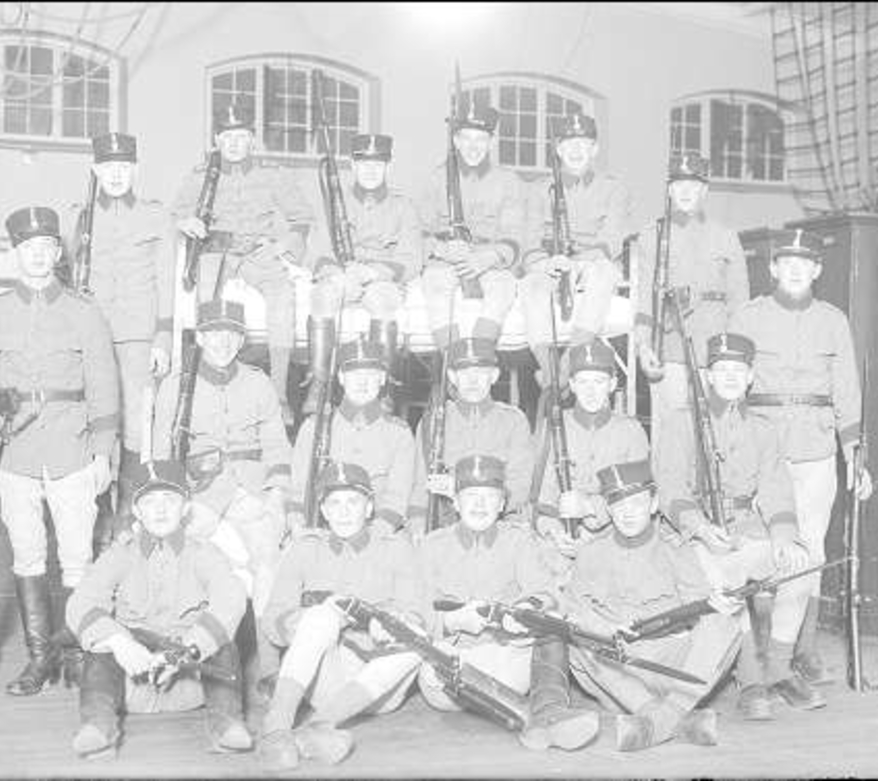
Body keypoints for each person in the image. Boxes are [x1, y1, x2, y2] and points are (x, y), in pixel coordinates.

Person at [0, 206, 119, 696]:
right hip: (14, 453)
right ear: (15, 253)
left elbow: (104, 385)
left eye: (46, 246)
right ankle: (39, 660)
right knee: (28, 556)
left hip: (72, 448)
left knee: (77, 558)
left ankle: (75, 656)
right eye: (27, 247)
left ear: (58, 253)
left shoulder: (84, 311)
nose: (37, 255)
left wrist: (103, 453)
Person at [729, 229, 873, 690]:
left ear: (817, 270)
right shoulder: (748, 316)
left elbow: (846, 390)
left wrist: (854, 455)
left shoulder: (833, 321)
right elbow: (729, 382)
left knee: (810, 549)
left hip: (815, 449)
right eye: (786, 262)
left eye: (804, 263)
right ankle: (757, 651)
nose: (794, 270)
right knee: (762, 549)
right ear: (773, 268)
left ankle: (800, 651)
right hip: (762, 447)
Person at [656, 332, 811, 718]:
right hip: (696, 534)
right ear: (707, 376)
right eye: (721, 369)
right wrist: (701, 527)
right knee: (726, 583)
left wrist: (784, 539)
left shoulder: (762, 429)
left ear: (751, 377)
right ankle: (750, 678)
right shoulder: (681, 422)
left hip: (747, 528)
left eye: (738, 370)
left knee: (800, 568)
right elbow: (671, 487)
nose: (729, 376)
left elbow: (776, 489)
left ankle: (778, 668)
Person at [149, 297, 291, 708]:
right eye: (214, 334)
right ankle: (184, 654)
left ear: (242, 340)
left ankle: (269, 664)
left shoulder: (258, 382)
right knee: (183, 557)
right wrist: (174, 502)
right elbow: (161, 454)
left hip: (250, 486)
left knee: (268, 560)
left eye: (232, 334)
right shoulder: (176, 385)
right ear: (200, 337)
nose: (223, 342)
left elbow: (276, 445)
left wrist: (278, 494)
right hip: (200, 490)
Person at [64, 460, 250, 758]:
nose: (160, 509)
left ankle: (227, 726)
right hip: (130, 684)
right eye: (149, 501)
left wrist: (186, 651)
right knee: (100, 644)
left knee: (223, 642)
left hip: (189, 682)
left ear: (186, 508)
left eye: (170, 500)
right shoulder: (120, 554)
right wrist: (120, 643)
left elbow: (232, 598)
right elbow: (82, 601)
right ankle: (98, 728)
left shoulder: (204, 553)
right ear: (137, 511)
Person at [418, 454, 599, 752]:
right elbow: (414, 613)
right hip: (454, 670)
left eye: (489, 497)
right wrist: (451, 621)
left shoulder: (518, 541)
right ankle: (534, 718)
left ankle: (551, 707)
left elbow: (548, 591)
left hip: (505, 659)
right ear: (455, 502)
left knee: (551, 621)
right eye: (471, 496)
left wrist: (528, 607)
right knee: (434, 665)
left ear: (502, 504)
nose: (479, 505)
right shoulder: (431, 547)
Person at [562, 458, 741, 751]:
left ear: (654, 503)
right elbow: (574, 609)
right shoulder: (591, 553)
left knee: (724, 624)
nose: (627, 513)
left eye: (636, 503)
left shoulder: (675, 548)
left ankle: (658, 721)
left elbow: (698, 603)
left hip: (673, 667)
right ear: (608, 508)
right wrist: (605, 628)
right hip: (620, 669)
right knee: (574, 638)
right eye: (618, 505)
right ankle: (672, 717)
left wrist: (716, 604)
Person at [258, 461, 424, 771]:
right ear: (323, 510)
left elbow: (418, 612)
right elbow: (272, 620)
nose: (344, 512)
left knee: (418, 639)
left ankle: (317, 726)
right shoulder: (305, 549)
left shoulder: (396, 549)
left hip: (378, 686)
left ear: (369, 507)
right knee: (322, 616)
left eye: (353, 502)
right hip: (325, 676)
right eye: (334, 503)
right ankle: (276, 727)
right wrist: (309, 620)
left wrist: (392, 622)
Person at [63, 132, 176, 542]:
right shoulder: (78, 218)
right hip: (92, 336)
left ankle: (128, 507)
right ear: (95, 169)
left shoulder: (156, 217)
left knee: (136, 424)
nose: (115, 174)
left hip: (138, 336)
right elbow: (66, 279)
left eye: (123, 167)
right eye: (108, 167)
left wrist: (163, 337)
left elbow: (166, 279)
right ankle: (99, 510)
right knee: (96, 419)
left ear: (135, 170)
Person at [174, 99, 315, 424]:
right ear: (216, 140)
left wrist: (282, 245)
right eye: (227, 137)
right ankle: (202, 384)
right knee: (205, 301)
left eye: (241, 137)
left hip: (256, 251)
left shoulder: (272, 175)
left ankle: (279, 393)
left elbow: (302, 218)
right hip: (216, 250)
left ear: (252, 140)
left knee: (282, 293)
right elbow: (176, 214)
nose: (234, 144)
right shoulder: (200, 176)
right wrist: (186, 222)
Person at [633, 152, 749, 497]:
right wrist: (643, 344)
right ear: (669, 190)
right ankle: (670, 504)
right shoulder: (652, 236)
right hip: (669, 345)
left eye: (693, 185)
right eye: (678, 184)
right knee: (670, 430)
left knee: (715, 427)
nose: (685, 191)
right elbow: (644, 299)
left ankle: (716, 497)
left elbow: (740, 302)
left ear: (705, 191)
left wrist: (735, 358)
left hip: (716, 348)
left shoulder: (726, 237)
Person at [305, 132, 423, 414]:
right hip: (342, 276)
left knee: (382, 302)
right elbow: (316, 252)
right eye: (364, 163)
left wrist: (371, 273)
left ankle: (383, 389)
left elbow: (411, 259)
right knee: (322, 296)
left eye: (378, 164)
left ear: (388, 167)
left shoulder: (403, 207)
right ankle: (319, 384)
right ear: (353, 165)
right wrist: (338, 275)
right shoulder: (333, 204)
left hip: (381, 280)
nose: (371, 170)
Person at [520, 112, 632, 387]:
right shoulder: (538, 189)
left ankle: (570, 360)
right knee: (531, 285)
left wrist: (577, 262)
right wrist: (546, 263)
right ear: (558, 149)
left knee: (604, 273)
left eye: (583, 144)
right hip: (551, 262)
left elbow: (612, 240)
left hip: (591, 263)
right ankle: (548, 367)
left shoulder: (613, 189)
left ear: (595, 149)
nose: (576, 150)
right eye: (569, 144)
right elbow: (529, 239)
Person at [419, 94, 525, 349]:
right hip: (446, 261)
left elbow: (514, 234)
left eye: (481, 139)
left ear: (492, 142)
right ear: (455, 140)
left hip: (490, 260)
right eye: (466, 138)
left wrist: (489, 257)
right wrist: (442, 249)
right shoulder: (436, 179)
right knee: (435, 287)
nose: (473, 146)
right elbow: (419, 232)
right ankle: (453, 360)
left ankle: (479, 356)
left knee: (502, 289)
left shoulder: (509, 181)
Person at [532, 339, 650, 557]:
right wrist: (555, 532)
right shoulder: (552, 427)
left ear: (612, 384)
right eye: (583, 381)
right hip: (560, 535)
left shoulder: (630, 431)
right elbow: (540, 498)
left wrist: (589, 507)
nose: (590, 390)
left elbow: (639, 498)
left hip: (615, 535)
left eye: (599, 381)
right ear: (572, 385)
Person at [289, 339, 416, 535]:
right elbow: (298, 488)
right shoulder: (313, 428)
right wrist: (298, 524)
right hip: (320, 530)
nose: (362, 382)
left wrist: (376, 533)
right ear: (341, 377)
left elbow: (397, 495)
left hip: (377, 532)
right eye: (355, 374)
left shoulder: (399, 434)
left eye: (371, 374)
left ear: (383, 378)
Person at [408, 337, 535, 535]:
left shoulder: (514, 421)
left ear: (494, 376)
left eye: (481, 372)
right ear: (452, 377)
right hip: (445, 528)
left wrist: (461, 488)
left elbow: (520, 487)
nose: (473, 380)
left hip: (500, 526)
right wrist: (417, 528)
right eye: (464, 372)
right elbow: (419, 488)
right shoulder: (432, 422)